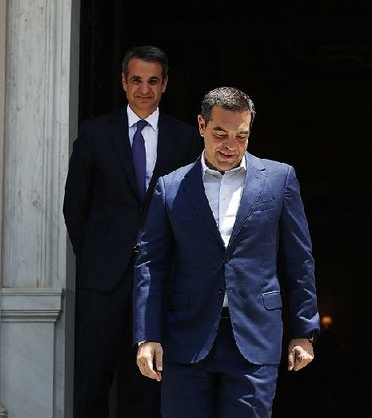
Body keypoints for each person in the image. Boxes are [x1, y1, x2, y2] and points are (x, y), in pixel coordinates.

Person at [133, 86, 320, 417]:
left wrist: (304, 332)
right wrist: (147, 337)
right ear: (202, 127)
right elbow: (151, 265)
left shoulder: (280, 179)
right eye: (220, 133)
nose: (231, 145)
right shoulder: (170, 187)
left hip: (254, 335)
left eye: (241, 135)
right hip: (185, 337)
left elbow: (299, 260)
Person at [63, 45, 202, 418]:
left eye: (153, 81)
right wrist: (94, 255)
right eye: (137, 80)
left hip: (161, 278)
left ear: (165, 85)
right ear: (124, 83)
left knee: (151, 380)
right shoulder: (95, 133)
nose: (144, 89)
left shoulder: (185, 138)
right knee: (93, 377)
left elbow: (192, 210)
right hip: (103, 277)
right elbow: (75, 204)